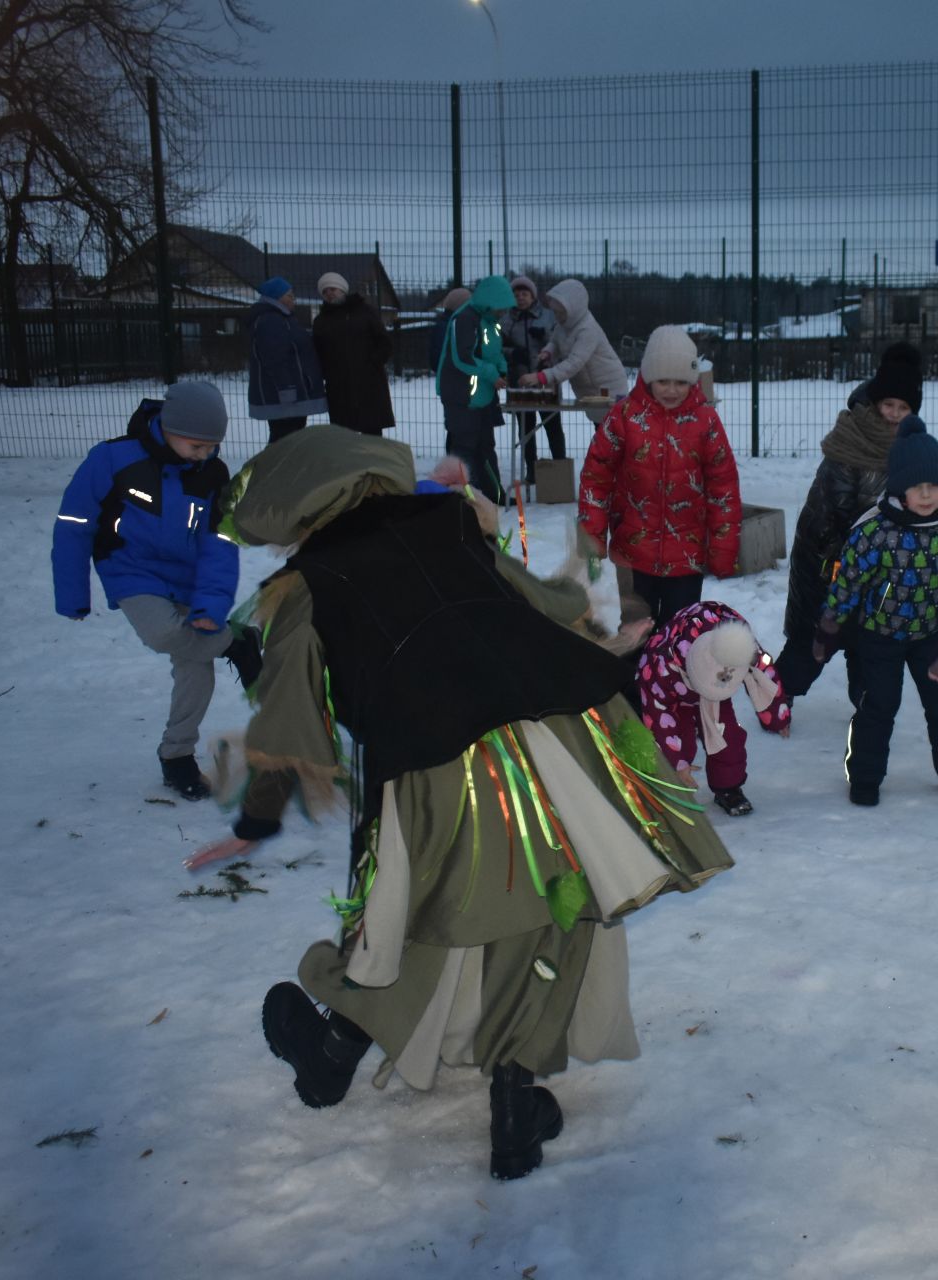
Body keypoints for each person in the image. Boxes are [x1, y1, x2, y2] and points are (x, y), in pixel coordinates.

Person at [187, 425, 733, 1182]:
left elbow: (288, 720)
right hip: (563, 732)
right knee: (553, 899)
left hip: (437, 760)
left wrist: (254, 821)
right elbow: (544, 599)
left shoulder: (305, 585)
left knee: (422, 905)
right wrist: (606, 626)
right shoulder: (448, 524)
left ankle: (333, 1049)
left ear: (294, 516)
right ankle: (514, 1102)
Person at [51, 381, 260, 800]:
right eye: (196, 445)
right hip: (131, 570)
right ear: (168, 426)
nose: (205, 454)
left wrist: (210, 606)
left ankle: (177, 757)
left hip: (188, 580)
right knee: (163, 633)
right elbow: (74, 525)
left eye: (212, 446)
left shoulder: (212, 474)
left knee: (194, 669)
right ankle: (234, 643)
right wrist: (72, 593)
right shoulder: (112, 459)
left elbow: (219, 546)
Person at [812, 416, 938, 808]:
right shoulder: (874, 532)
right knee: (877, 706)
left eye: (934, 486)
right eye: (916, 487)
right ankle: (865, 777)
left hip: (932, 635)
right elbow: (848, 582)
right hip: (879, 635)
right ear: (898, 488)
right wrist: (829, 626)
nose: (926, 495)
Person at [774, 341, 920, 707]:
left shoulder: (913, 447)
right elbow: (829, 511)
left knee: (869, 642)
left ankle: (868, 704)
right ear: (875, 401)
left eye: (903, 408)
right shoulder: (851, 442)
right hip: (830, 561)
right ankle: (775, 696)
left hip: (880, 569)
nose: (894, 414)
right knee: (813, 640)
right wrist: (842, 559)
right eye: (889, 405)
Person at [578, 325, 741, 628]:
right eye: (663, 380)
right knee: (636, 630)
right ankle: (633, 676)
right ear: (648, 376)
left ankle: (673, 676)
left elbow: (723, 487)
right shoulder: (624, 417)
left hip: (686, 553)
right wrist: (592, 536)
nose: (671, 389)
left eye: (681, 381)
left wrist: (723, 547)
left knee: (680, 632)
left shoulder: (706, 421)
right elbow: (596, 478)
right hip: (632, 550)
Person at [636, 601, 791, 817]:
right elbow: (658, 718)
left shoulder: (740, 645)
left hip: (716, 690)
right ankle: (674, 783)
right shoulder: (658, 667)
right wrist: (677, 763)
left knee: (728, 739)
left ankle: (728, 788)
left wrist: (777, 717)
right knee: (679, 742)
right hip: (673, 693)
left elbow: (765, 677)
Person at [435, 275, 512, 504]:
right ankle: (468, 498)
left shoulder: (490, 321)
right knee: (465, 447)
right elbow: (462, 358)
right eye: (501, 308)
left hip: (484, 395)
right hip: (461, 395)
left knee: (486, 446)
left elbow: (495, 352)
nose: (503, 313)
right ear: (489, 302)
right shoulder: (465, 319)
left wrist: (502, 369)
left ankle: (493, 495)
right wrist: (491, 373)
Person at [521, 278, 626, 411]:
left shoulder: (588, 329)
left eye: (561, 312)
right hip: (590, 390)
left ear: (573, 309)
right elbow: (555, 342)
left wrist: (542, 377)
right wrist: (548, 352)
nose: (557, 317)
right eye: (555, 312)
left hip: (608, 389)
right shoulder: (563, 324)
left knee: (611, 428)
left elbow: (574, 363)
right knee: (601, 427)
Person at [311, 271, 395, 435]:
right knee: (344, 435)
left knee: (372, 432)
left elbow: (384, 342)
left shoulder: (365, 312)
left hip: (370, 383)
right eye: (325, 291)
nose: (329, 293)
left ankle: (374, 461)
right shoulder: (321, 321)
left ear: (343, 289)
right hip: (338, 386)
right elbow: (318, 352)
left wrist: (372, 364)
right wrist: (327, 373)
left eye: (333, 289)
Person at [247, 276, 328, 444]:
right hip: (285, 397)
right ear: (277, 297)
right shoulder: (271, 321)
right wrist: (286, 389)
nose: (294, 300)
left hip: (291, 395)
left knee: (290, 438)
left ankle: (284, 468)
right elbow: (275, 358)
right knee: (285, 440)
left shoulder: (282, 319)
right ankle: (277, 469)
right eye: (290, 295)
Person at [502, 276, 566, 487]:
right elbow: (497, 348)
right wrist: (512, 354)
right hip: (519, 381)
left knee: (552, 426)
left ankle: (559, 469)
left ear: (533, 296)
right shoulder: (506, 320)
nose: (520, 298)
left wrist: (544, 338)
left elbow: (560, 344)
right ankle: (532, 471)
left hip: (546, 381)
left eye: (524, 294)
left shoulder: (548, 317)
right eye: (516, 294)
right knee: (526, 429)